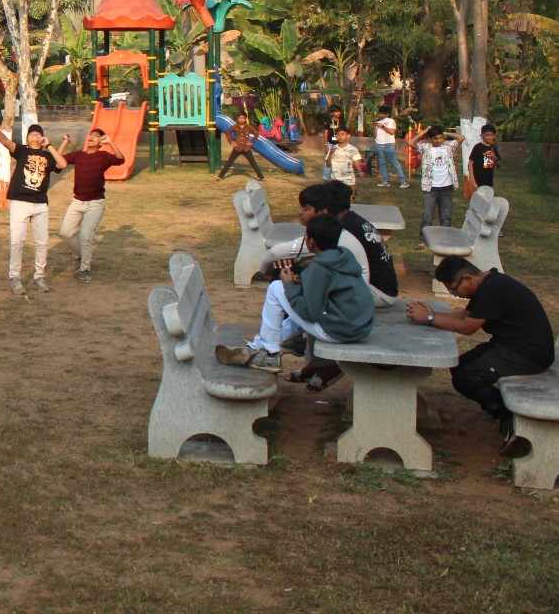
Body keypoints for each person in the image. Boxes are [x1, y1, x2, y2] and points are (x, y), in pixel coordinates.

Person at [407, 258, 555, 452]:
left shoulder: (491, 290)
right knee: (461, 365)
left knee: (466, 377)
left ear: (467, 278)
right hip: (512, 347)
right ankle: (503, 409)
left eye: (453, 288)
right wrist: (431, 314)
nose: (453, 294)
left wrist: (429, 318)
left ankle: (510, 419)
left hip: (528, 355)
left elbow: (467, 327)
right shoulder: (489, 283)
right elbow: (464, 315)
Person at [217, 214, 375, 373]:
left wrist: (289, 285)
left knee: (276, 289)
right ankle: (257, 347)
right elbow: (327, 291)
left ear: (311, 242)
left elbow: (309, 313)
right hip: (359, 328)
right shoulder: (343, 257)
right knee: (293, 308)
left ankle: (270, 355)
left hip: (337, 332)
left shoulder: (319, 268)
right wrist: (301, 283)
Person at [0, 122, 69, 295]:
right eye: (32, 134)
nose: (35, 136)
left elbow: (63, 164)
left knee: (42, 242)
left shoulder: (48, 155)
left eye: (38, 134)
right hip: (20, 202)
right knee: (17, 241)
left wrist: (49, 145)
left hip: (40, 204)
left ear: (42, 137)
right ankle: (15, 277)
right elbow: (6, 142)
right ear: (27, 138)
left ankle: (39, 277)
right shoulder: (22, 150)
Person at [59, 127, 125, 284]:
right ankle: (82, 255)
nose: (92, 137)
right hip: (77, 201)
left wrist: (110, 143)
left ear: (100, 143)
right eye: (91, 135)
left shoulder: (103, 156)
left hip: (95, 204)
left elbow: (121, 159)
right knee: (65, 232)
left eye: (96, 137)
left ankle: (85, 269)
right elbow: (59, 160)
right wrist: (65, 142)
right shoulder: (79, 155)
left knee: (85, 236)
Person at [416, 125, 462, 227]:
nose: (438, 140)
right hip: (430, 188)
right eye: (435, 138)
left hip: (447, 187)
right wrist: (426, 131)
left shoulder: (448, 146)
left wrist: (445, 133)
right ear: (430, 139)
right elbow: (411, 142)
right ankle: (424, 239)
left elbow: (461, 138)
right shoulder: (425, 147)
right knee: (427, 216)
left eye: (440, 138)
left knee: (446, 216)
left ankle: (445, 239)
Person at [218, 112, 266, 181]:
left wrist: (252, 142)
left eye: (243, 118)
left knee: (253, 163)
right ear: (237, 119)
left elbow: (256, 134)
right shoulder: (235, 126)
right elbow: (228, 133)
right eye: (240, 118)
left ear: (245, 119)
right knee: (229, 162)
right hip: (237, 148)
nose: (241, 119)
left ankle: (261, 177)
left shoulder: (249, 127)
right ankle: (220, 176)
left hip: (246, 148)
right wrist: (231, 142)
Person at [372, 106, 409, 188]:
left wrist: (382, 126)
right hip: (379, 144)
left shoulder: (391, 121)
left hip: (389, 145)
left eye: (382, 113)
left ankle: (403, 181)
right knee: (382, 163)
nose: (380, 115)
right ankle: (385, 181)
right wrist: (375, 127)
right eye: (379, 113)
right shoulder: (377, 122)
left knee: (394, 162)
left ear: (386, 114)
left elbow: (392, 132)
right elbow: (375, 135)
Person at [327, 126, 362, 196]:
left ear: (348, 136)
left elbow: (358, 165)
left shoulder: (353, 149)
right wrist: (330, 154)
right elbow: (328, 165)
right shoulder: (332, 148)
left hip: (349, 182)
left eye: (342, 134)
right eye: (338, 134)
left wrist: (359, 170)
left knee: (349, 204)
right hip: (335, 181)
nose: (340, 136)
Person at [469, 123, 501, 191]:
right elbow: (470, 163)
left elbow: (497, 163)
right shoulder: (478, 147)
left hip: (489, 181)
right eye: (487, 135)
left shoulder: (493, 147)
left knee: (488, 200)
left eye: (492, 135)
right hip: (478, 181)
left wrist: (494, 157)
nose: (489, 137)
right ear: (482, 135)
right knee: (479, 200)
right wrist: (472, 180)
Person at [321, 107, 343, 181]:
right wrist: (326, 144)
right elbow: (325, 133)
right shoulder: (328, 121)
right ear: (332, 113)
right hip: (330, 144)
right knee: (328, 161)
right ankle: (325, 178)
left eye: (339, 111)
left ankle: (336, 179)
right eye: (336, 112)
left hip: (339, 144)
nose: (338, 113)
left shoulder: (342, 121)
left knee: (338, 161)